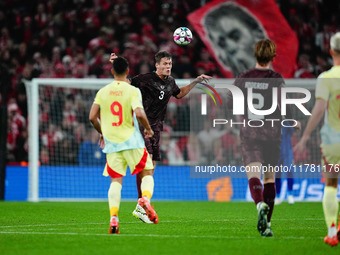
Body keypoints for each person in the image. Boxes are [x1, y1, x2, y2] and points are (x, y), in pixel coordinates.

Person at [110, 51, 212, 223]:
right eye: (165, 64)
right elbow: (126, 82)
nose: (168, 67)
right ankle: (143, 203)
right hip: (142, 125)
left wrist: (195, 81)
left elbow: (179, 94)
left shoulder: (171, 82)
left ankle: (142, 203)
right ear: (156, 65)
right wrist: (115, 65)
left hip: (156, 129)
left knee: (150, 166)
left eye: (170, 64)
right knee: (147, 163)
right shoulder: (145, 79)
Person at [228, 39, 298, 237]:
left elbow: (231, 101)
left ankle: (259, 205)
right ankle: (266, 225)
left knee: (253, 175)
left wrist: (238, 117)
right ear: (272, 56)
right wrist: (292, 121)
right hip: (272, 135)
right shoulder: (276, 78)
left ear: (255, 55)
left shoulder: (243, 77)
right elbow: (287, 106)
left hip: (250, 133)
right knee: (269, 179)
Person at [89, 56, 158, 234]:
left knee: (116, 181)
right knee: (147, 172)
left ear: (112, 71)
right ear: (127, 72)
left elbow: (92, 117)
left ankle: (114, 218)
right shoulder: (132, 90)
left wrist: (102, 132)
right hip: (132, 140)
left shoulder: (103, 92)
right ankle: (145, 200)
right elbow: (140, 114)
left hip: (112, 143)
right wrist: (148, 129)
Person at [294, 32, 340, 246]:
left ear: (331, 52)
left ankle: (332, 233)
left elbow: (319, 108)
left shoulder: (326, 78)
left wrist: (305, 137)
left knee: (331, 185)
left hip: (333, 141)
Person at [275, 126, 295, 205]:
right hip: (276, 152)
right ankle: (278, 196)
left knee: (289, 172)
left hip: (287, 152)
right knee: (277, 174)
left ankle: (290, 195)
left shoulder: (286, 122)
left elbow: (292, 129)